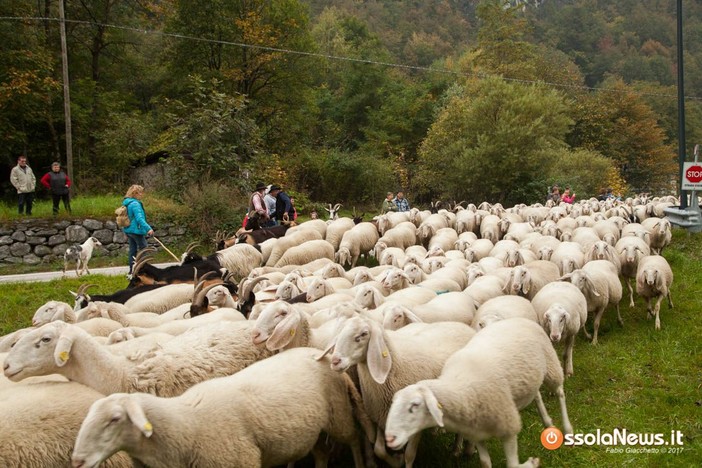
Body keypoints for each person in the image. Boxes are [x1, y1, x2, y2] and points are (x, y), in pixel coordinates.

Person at [121, 184, 154, 277]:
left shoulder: (127, 203)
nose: (142, 194)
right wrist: (148, 228)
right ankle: (145, 271)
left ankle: (132, 271)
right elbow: (139, 218)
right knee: (144, 250)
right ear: (135, 193)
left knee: (133, 250)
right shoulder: (135, 204)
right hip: (136, 230)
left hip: (129, 230)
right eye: (140, 193)